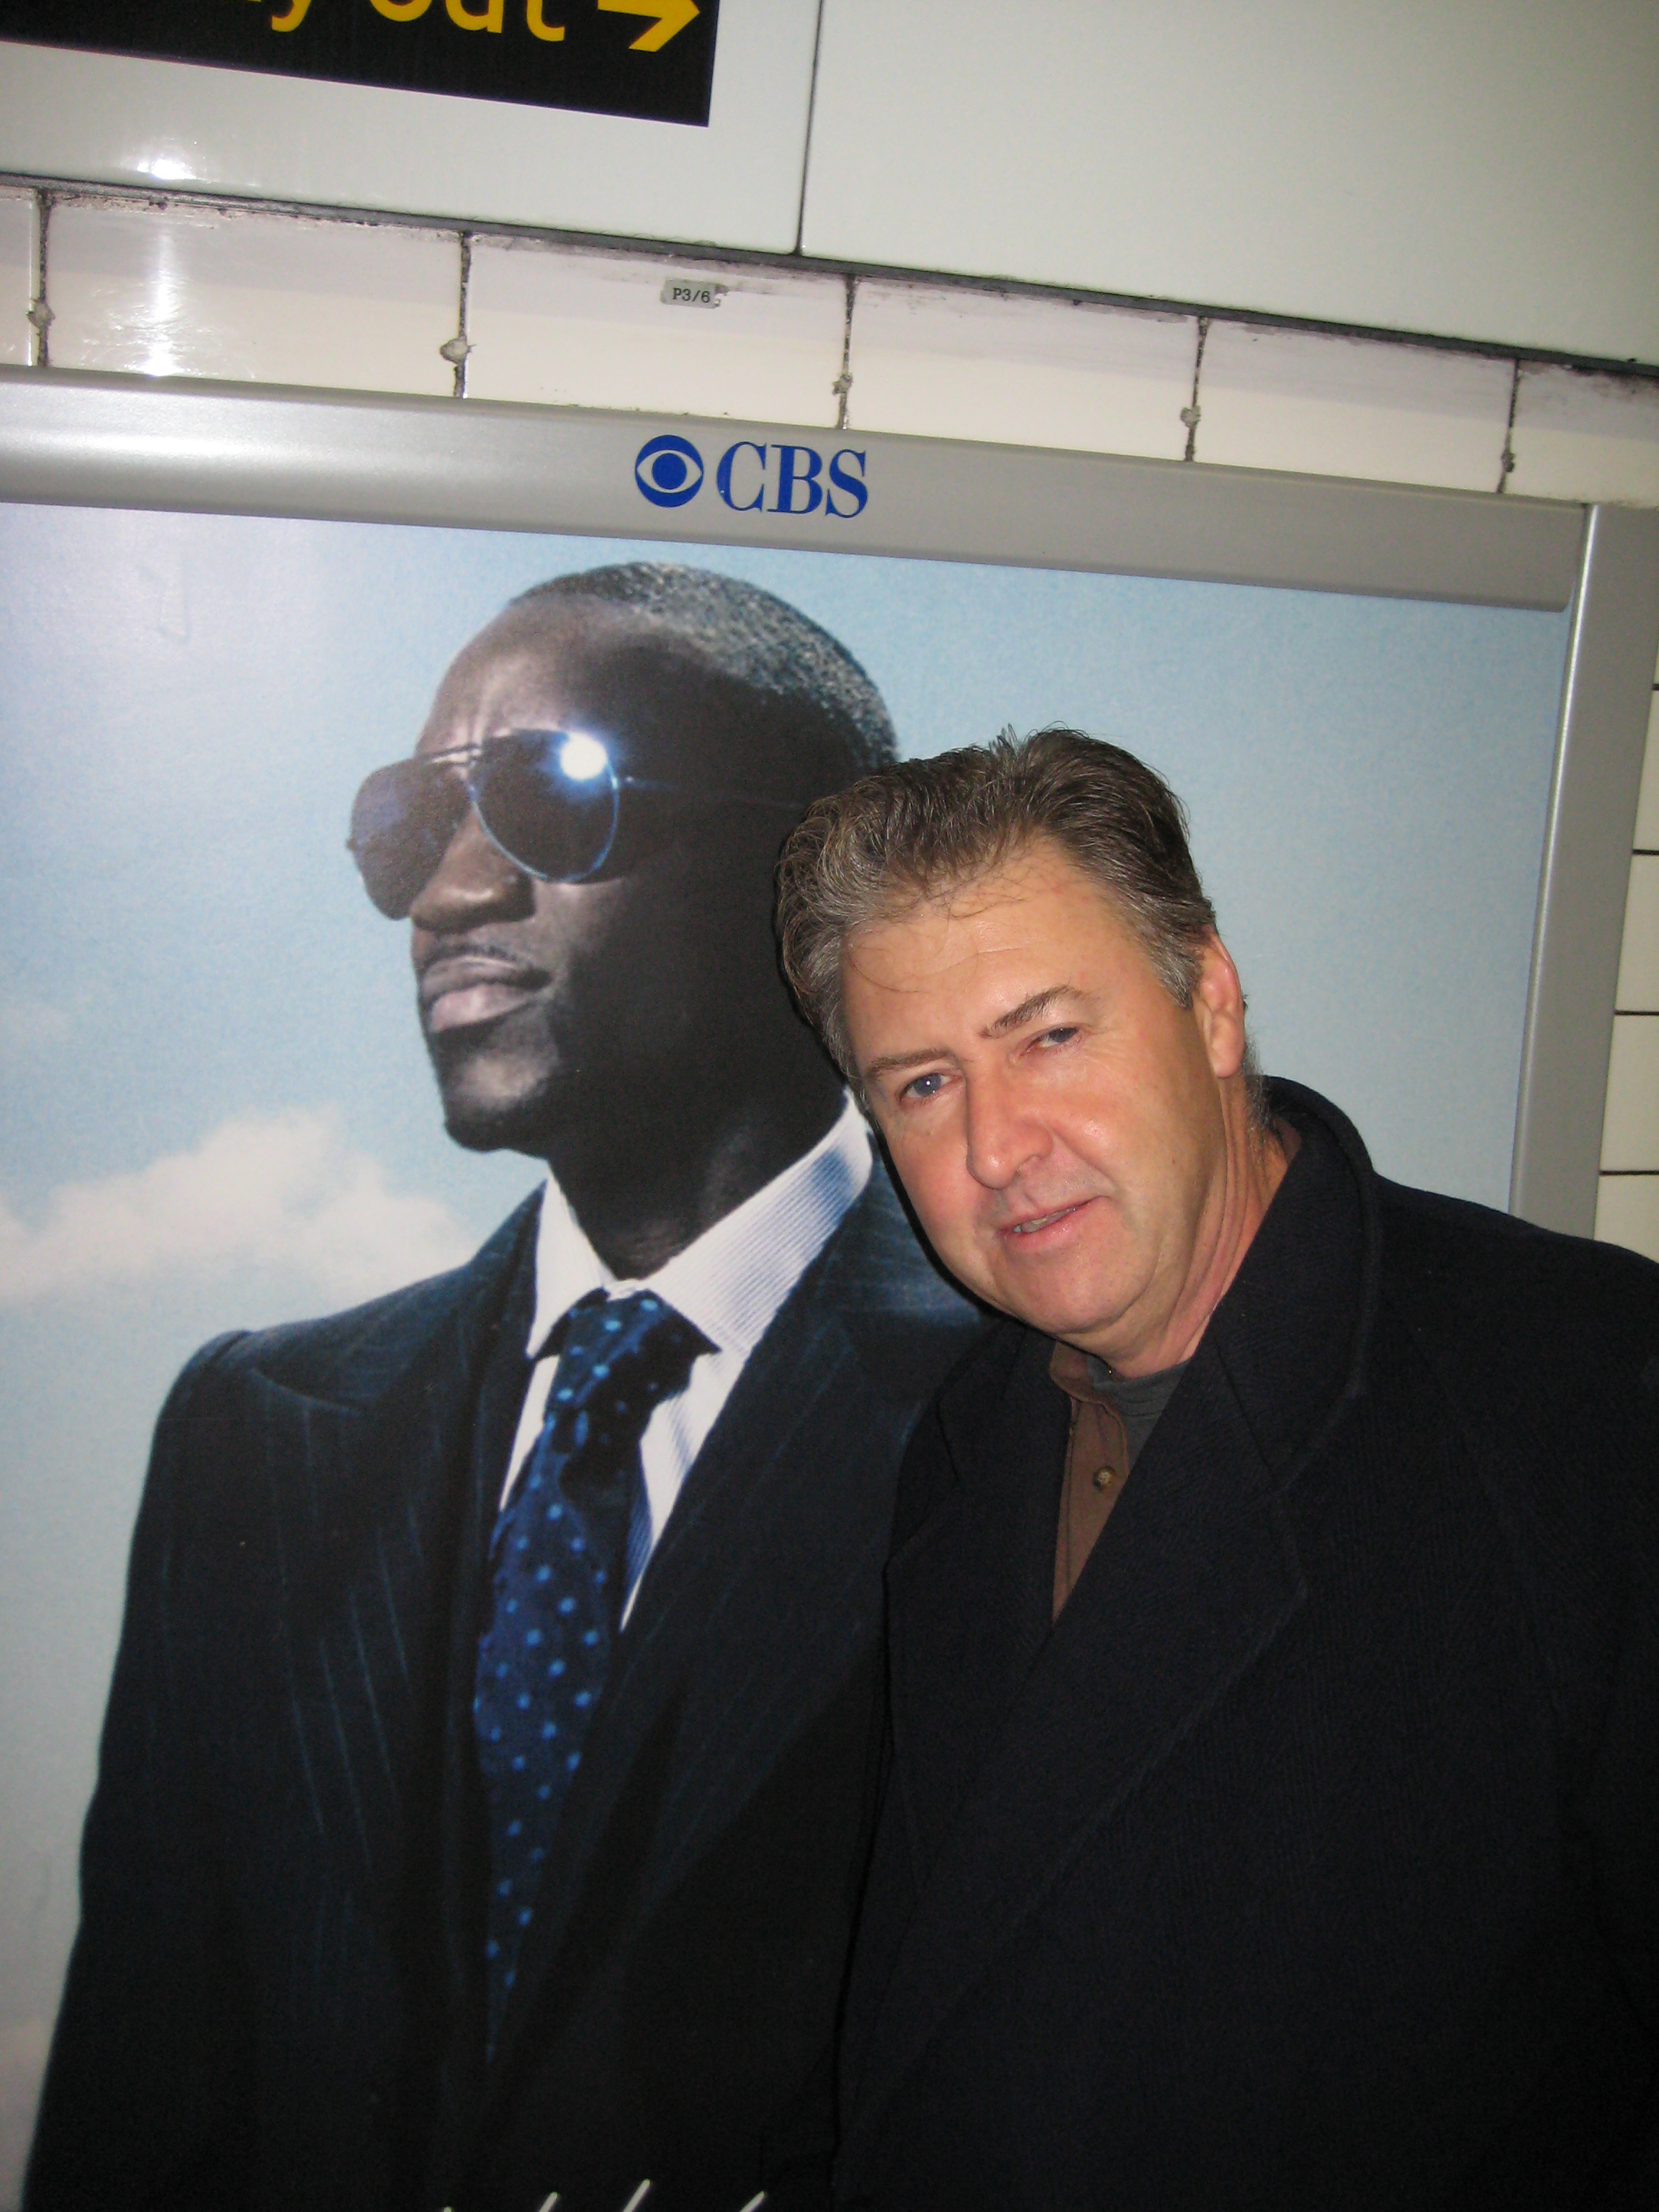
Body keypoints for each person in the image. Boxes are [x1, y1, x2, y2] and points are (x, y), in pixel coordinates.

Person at [24, 565, 986, 2212]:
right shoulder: (257, 1438)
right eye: (406, 823)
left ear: (814, 886)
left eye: (553, 797)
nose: (450, 890)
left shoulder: (1033, 1417)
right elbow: (144, 2104)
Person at [775, 726, 1659, 2211]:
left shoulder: (1588, 1400)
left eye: (1050, 1036)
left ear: (1213, 1003)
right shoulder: (971, 1433)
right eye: (923, 1085)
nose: (997, 1146)